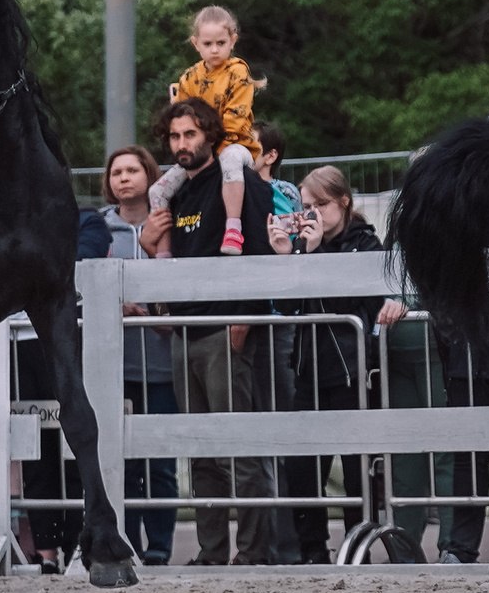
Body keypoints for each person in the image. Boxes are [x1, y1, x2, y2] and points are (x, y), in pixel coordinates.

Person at [144, 97, 286, 564]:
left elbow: (260, 251)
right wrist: (148, 243)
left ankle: (255, 553)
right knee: (200, 455)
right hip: (184, 330)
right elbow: (166, 260)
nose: (181, 144)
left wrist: (244, 317)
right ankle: (211, 552)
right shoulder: (174, 192)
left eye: (190, 134)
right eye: (174, 136)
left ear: (210, 134)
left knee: (239, 451)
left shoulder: (239, 182)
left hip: (227, 330)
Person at [271, 165, 386, 565]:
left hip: (353, 372)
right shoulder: (304, 244)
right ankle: (312, 551)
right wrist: (286, 258)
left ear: (344, 202)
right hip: (308, 370)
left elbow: (350, 302)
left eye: (320, 204)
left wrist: (315, 252)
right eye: (306, 206)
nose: (312, 214)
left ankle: (359, 549)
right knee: (303, 466)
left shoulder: (365, 243)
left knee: (358, 469)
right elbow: (287, 306)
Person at [98, 145, 178, 567]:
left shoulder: (167, 221)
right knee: (122, 463)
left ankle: (161, 545)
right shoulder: (98, 228)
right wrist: (115, 305)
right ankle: (125, 541)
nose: (124, 178)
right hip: (116, 368)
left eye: (132, 170)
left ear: (150, 175)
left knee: (161, 463)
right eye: (117, 172)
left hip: (162, 364)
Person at [166, 7, 259, 251]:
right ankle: (164, 251)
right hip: (201, 149)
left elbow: (235, 118)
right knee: (158, 190)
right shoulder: (188, 78)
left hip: (236, 145)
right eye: (208, 44)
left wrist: (211, 150)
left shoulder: (238, 72)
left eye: (221, 43)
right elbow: (180, 115)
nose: (215, 50)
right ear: (196, 44)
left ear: (233, 41)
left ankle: (233, 228)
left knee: (230, 160)